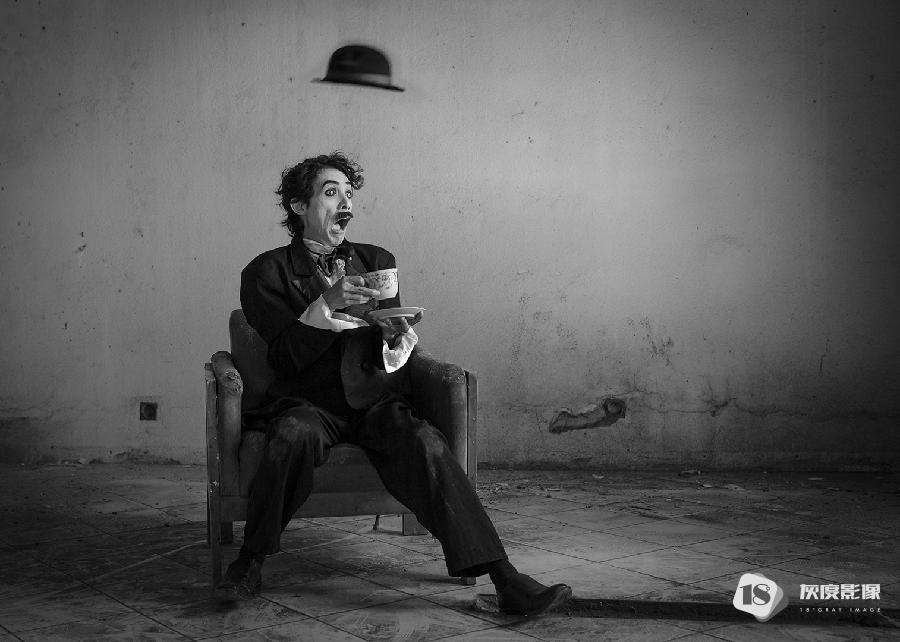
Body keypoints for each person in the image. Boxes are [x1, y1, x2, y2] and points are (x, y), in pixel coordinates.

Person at [214, 151, 571, 616]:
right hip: (308, 403)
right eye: (330, 192)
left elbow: (393, 350)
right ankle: (249, 562)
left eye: (348, 193)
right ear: (299, 206)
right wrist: (327, 303)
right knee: (291, 435)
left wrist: (395, 336)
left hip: (375, 400)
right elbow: (283, 356)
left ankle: (506, 581)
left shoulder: (376, 260)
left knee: (426, 442)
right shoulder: (264, 273)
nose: (345, 202)